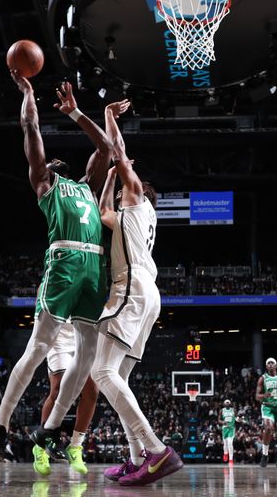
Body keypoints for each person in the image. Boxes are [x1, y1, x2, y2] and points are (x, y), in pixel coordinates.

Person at [0, 72, 112, 461]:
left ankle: (49, 429)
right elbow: (31, 125)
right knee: (39, 347)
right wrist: (28, 92)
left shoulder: (88, 186)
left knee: (88, 358)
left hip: (95, 267)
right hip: (65, 262)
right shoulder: (45, 184)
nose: (53, 160)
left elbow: (105, 147)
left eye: (58, 160)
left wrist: (75, 113)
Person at [91, 101, 183, 485]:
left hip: (131, 285)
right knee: (119, 377)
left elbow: (120, 151)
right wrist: (110, 178)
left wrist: (110, 116)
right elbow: (102, 213)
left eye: (129, 183)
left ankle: (157, 450)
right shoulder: (135, 216)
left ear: (139, 191)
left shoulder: (137, 199)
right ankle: (137, 458)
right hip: (148, 292)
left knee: (101, 370)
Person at [33, 324, 100, 476]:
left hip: (85, 332)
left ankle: (75, 446)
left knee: (92, 391)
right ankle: (41, 446)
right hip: (60, 333)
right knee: (59, 388)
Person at [219, 400, 236, 466]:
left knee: (230, 443)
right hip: (225, 428)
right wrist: (223, 422)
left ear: (230, 403)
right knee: (225, 444)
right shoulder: (222, 410)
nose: (227, 403)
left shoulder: (233, 410)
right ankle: (225, 453)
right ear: (224, 404)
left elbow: (237, 418)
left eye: (228, 402)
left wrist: (239, 419)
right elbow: (219, 420)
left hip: (231, 428)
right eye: (226, 402)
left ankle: (231, 459)